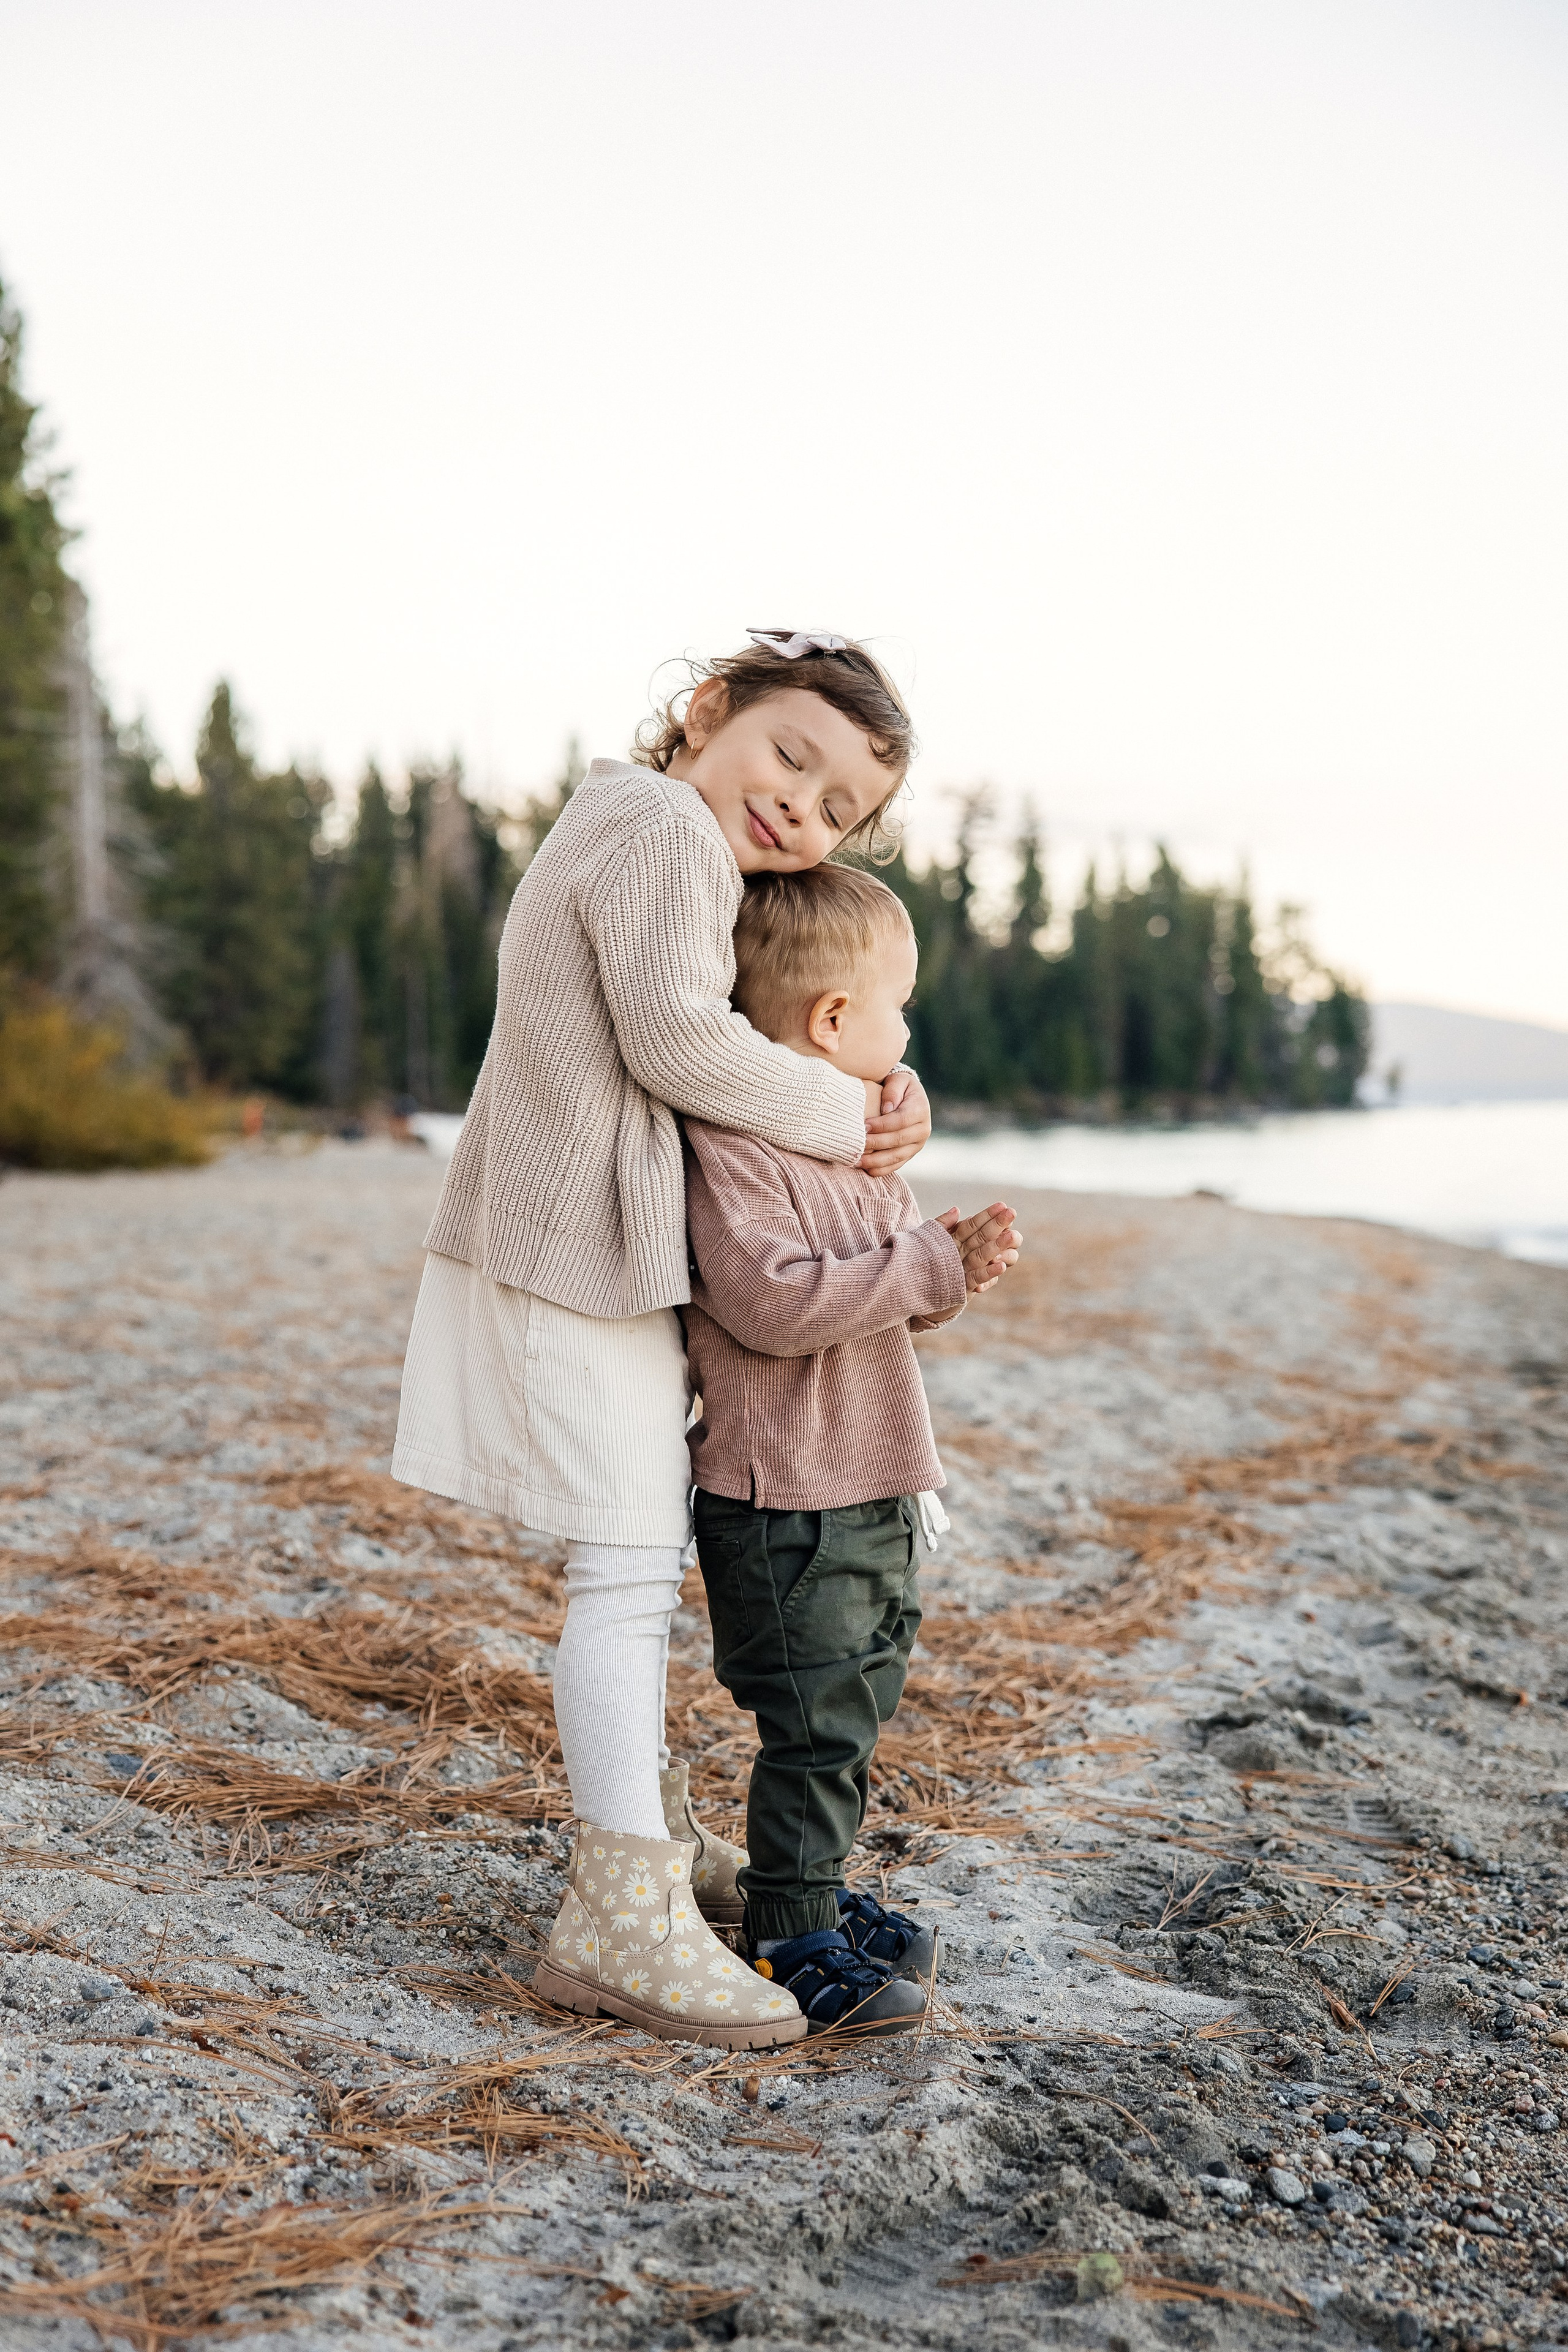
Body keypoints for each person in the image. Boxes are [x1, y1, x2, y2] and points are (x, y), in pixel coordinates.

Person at [392, 630, 932, 2049]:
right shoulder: (660, 830)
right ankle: (616, 1911)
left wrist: (885, 1082)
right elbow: (683, 1045)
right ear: (707, 710)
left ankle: (652, 1838)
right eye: (788, 756)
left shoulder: (645, 833)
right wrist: (853, 1120)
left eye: (835, 809)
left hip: (586, 1253)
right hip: (574, 1259)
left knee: (627, 1566)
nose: (797, 808)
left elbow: (757, 1017)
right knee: (625, 1576)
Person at [681, 863, 1020, 2035]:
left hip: (871, 1486)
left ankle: (810, 1888)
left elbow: (886, 1295)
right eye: (899, 1008)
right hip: (789, 1501)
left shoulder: (851, 1146)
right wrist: (924, 1264)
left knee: (860, 1700)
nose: (909, 1035)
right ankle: (788, 1929)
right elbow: (776, 1302)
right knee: (815, 1724)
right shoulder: (738, 1150)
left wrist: (951, 1269)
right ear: (833, 1020)